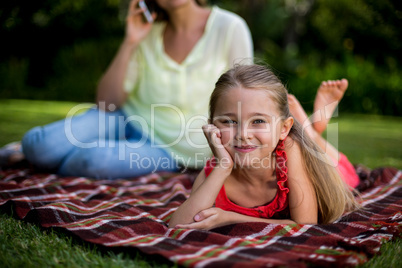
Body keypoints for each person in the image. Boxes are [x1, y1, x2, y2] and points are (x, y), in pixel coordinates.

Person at [15, 0, 253, 179]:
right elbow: (106, 101)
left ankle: (34, 163)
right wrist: (131, 41)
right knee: (40, 146)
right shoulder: (148, 30)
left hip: (172, 148)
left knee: (91, 160)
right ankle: (25, 154)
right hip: (125, 118)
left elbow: (244, 99)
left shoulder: (230, 28)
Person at [169, 64, 360, 229]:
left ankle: (312, 133)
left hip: (332, 173)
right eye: (229, 121)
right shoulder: (214, 174)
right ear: (213, 127)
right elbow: (177, 225)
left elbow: (305, 225)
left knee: (341, 171)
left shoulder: (290, 149)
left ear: (284, 129)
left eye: (258, 121)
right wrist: (224, 166)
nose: (243, 134)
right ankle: (308, 130)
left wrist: (229, 218)